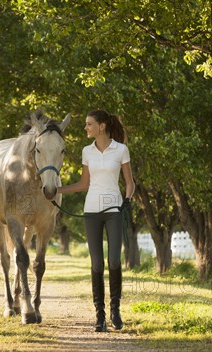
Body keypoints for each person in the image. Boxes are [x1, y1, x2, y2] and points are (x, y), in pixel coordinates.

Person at [57, 109, 135, 332]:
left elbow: (129, 182)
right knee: (96, 264)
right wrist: (57, 190)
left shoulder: (120, 150)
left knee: (115, 261)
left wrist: (127, 200)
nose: (86, 128)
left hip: (114, 210)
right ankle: (99, 316)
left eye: (89, 124)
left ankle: (115, 310)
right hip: (91, 211)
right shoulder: (86, 151)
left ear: (101, 126)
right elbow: (83, 185)